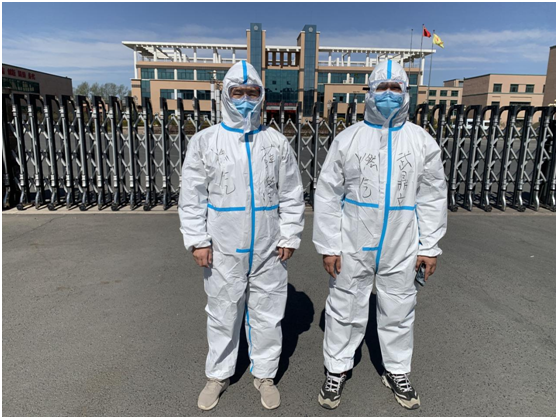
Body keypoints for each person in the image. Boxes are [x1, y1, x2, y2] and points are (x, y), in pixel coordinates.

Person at [313, 59, 447, 410]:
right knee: (345, 305)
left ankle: (397, 370)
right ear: (370, 92)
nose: (389, 94)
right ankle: (337, 368)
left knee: (399, 308)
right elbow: (327, 194)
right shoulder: (348, 139)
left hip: (402, 242)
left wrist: (429, 247)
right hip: (353, 240)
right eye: (382, 88)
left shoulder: (421, 141)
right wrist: (329, 245)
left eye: (395, 88)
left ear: (406, 93)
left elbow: (432, 196)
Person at [178, 60, 305, 411]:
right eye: (238, 92)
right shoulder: (206, 141)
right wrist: (198, 240)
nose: (246, 99)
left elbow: (291, 193)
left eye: (252, 92)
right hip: (223, 244)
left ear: (261, 95)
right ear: (226, 94)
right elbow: (192, 196)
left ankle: (264, 374)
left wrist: (289, 235)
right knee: (222, 311)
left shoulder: (275, 142)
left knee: (268, 312)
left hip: (268, 245)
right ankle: (218, 374)